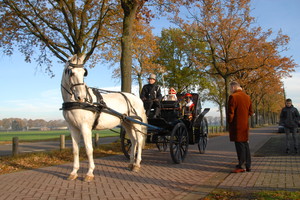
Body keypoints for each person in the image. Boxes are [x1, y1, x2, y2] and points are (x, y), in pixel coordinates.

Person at [227, 81, 253, 173]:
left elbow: (231, 112)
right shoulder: (247, 97)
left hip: (236, 125)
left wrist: (229, 122)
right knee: (245, 144)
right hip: (245, 124)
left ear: (233, 87)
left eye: (230, 88)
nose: (230, 90)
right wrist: (244, 117)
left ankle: (241, 166)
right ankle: (248, 165)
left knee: (239, 145)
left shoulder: (233, 97)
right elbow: (251, 111)